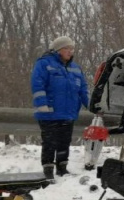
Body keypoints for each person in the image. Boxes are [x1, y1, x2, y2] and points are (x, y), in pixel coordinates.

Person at [31, 36, 90, 180]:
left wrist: (92, 105)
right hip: (49, 113)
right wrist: (42, 104)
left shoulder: (75, 68)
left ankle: (62, 168)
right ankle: (48, 169)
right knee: (50, 142)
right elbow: (37, 84)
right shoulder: (44, 64)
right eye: (67, 48)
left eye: (72, 49)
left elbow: (83, 89)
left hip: (68, 113)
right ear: (58, 50)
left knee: (64, 141)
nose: (70, 52)